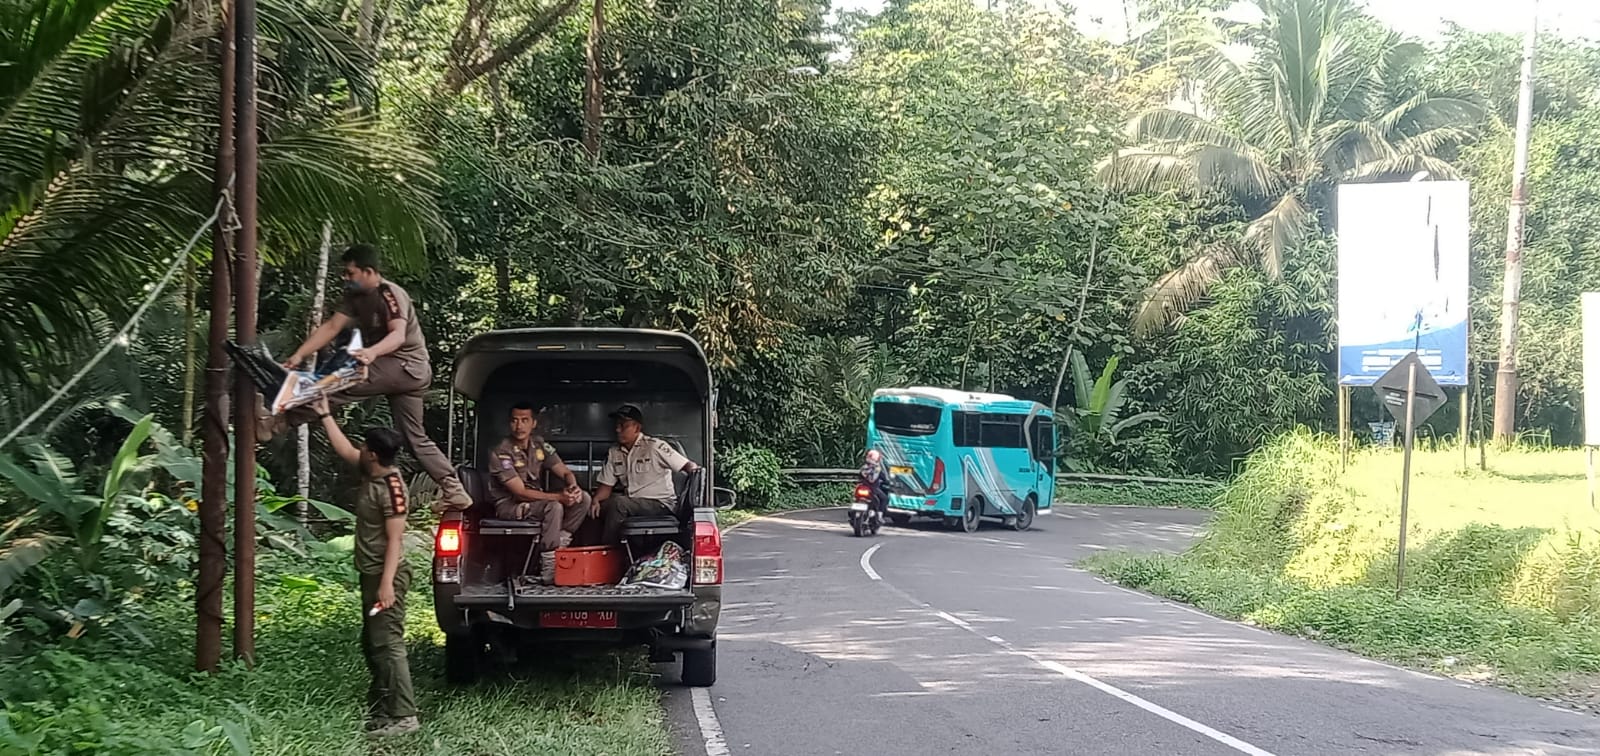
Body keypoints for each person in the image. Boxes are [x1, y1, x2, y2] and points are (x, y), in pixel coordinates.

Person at [259, 244, 472, 511]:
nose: (345, 278)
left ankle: (277, 424)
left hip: (406, 365)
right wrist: (298, 356)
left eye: (350, 273)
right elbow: (332, 326)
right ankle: (454, 490)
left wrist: (372, 352)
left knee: (337, 384)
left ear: (368, 272)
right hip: (399, 370)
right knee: (414, 436)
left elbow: (397, 334)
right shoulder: (353, 297)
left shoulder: (391, 295)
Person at [312, 395, 418, 738]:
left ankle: (404, 716)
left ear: (373, 453)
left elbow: (395, 542)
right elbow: (344, 449)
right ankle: (383, 707)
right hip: (369, 574)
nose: (359, 448)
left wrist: (387, 586)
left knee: (388, 643)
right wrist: (325, 414)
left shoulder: (393, 489)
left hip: (385, 576)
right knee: (372, 642)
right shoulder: (371, 469)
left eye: (364, 445)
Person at [487, 403, 590, 582]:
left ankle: (560, 547)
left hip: (535, 501)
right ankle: (549, 568)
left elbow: (565, 472)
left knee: (584, 499)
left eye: (524, 420)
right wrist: (559, 497)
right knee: (554, 507)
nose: (519, 426)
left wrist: (573, 487)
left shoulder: (539, 445)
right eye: (514, 421)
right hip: (510, 505)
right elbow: (519, 493)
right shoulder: (502, 452)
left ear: (533, 423)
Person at [593, 404, 699, 544]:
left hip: (659, 504)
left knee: (619, 503)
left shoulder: (654, 446)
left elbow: (687, 465)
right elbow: (606, 487)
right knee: (594, 509)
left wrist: (698, 477)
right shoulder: (615, 453)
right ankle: (589, 552)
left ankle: (608, 553)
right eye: (617, 425)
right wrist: (595, 500)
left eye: (623, 425)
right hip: (632, 504)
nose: (618, 430)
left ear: (637, 428)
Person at [858, 449, 889, 520]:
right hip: (873, 489)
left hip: (862, 487)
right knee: (885, 498)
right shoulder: (877, 469)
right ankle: (879, 516)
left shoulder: (864, 467)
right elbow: (885, 479)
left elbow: (859, 477)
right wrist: (888, 482)